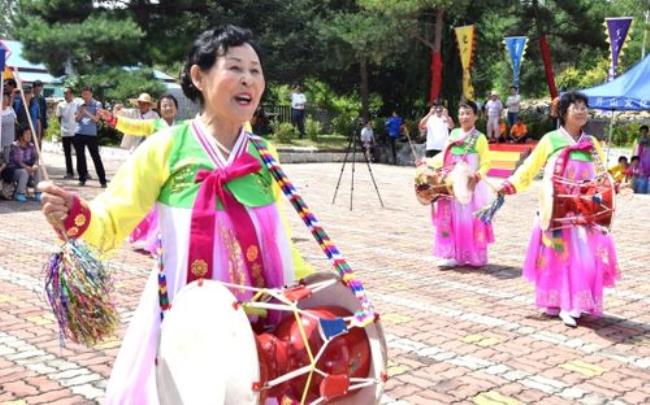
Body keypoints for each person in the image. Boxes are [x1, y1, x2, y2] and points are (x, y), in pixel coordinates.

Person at [39, 25, 314, 403]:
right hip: (186, 315)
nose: (248, 79)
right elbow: (112, 219)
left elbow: (276, 236)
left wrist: (311, 284)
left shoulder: (264, 153)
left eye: (256, 69)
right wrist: (74, 214)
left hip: (264, 310)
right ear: (199, 77)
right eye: (234, 68)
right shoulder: (165, 147)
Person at [497, 91, 619, 327]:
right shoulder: (550, 140)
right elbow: (530, 168)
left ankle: (574, 302)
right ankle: (565, 304)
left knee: (584, 258)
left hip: (584, 213)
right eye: (576, 107)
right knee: (559, 257)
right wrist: (509, 185)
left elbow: (602, 173)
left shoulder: (591, 143)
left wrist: (614, 186)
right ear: (563, 113)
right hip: (557, 211)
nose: (582, 111)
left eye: (584, 107)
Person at [98, 94, 181, 254]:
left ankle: (170, 239)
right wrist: (113, 119)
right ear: (159, 109)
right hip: (156, 170)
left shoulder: (182, 127)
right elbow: (133, 126)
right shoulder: (154, 124)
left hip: (176, 172)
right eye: (164, 105)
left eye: (171, 105)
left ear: (176, 109)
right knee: (154, 206)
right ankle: (150, 239)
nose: (168, 108)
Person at [425, 100, 493, 268]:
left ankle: (475, 255)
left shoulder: (480, 138)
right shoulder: (454, 134)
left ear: (476, 116)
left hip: (471, 187)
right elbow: (443, 156)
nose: (464, 117)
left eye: (468, 113)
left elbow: (487, 163)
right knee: (451, 218)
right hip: (451, 185)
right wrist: (427, 162)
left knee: (470, 220)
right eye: (461, 113)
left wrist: (477, 177)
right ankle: (452, 254)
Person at [74, 86, 107, 187]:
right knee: (80, 157)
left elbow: (96, 119)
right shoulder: (79, 104)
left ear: (91, 94)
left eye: (87, 94)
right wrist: (80, 112)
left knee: (95, 157)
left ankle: (103, 180)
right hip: (79, 132)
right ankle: (82, 178)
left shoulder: (97, 104)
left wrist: (86, 112)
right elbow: (76, 119)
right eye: (84, 94)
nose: (85, 96)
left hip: (91, 134)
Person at [9, 125, 40, 202]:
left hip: (27, 168)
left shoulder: (31, 146)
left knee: (38, 169)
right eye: (26, 134)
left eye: (30, 134)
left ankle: (38, 192)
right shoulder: (15, 146)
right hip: (15, 171)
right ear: (20, 136)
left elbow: (36, 157)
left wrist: (35, 165)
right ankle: (19, 193)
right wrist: (27, 168)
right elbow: (18, 161)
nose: (29, 136)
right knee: (24, 172)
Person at [55, 87, 79, 179]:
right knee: (67, 154)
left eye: (68, 93)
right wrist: (64, 127)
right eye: (64, 93)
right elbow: (59, 117)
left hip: (76, 131)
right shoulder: (61, 105)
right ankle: (69, 172)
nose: (66, 95)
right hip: (65, 132)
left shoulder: (77, 104)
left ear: (72, 94)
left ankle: (83, 172)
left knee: (79, 153)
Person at [631, 125, 650, 194]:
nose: (644, 133)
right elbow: (636, 150)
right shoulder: (638, 139)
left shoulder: (649, 138)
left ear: (648, 132)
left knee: (646, 172)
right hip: (641, 156)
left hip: (648, 156)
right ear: (640, 132)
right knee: (640, 172)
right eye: (642, 132)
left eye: (645, 132)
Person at [32, 80, 48, 147]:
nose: (39, 90)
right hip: (31, 123)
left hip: (40, 124)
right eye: (37, 88)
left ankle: (38, 157)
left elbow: (44, 113)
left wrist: (45, 126)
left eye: (40, 88)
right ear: (34, 88)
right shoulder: (30, 97)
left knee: (39, 142)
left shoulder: (42, 99)